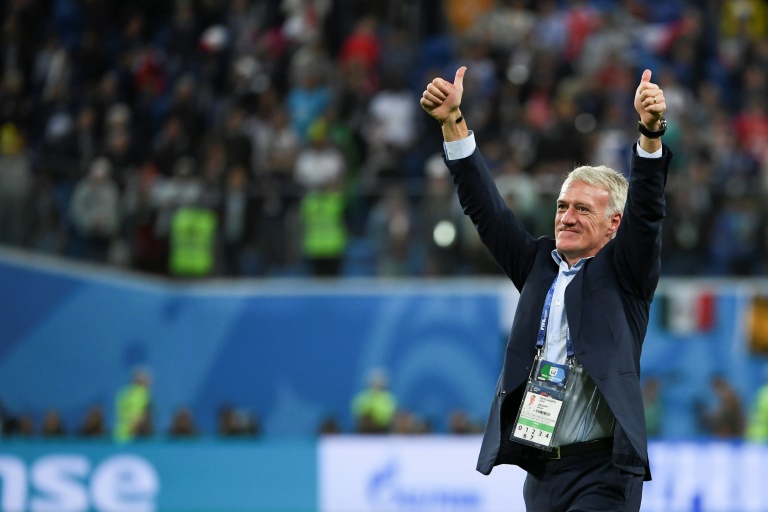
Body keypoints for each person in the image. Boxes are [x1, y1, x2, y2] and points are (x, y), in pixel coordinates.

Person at [420, 66, 672, 511]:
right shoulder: (537, 265)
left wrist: (650, 134)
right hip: (542, 473)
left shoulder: (626, 274)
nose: (566, 217)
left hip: (603, 474)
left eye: (582, 209)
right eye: (561, 206)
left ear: (614, 223)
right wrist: (452, 123)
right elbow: (485, 210)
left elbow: (648, 212)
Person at [114, 367, 152, 443]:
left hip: (119, 434)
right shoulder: (141, 395)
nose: (150, 382)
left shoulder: (123, 392)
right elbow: (136, 419)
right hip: (131, 437)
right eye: (148, 380)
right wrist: (135, 434)